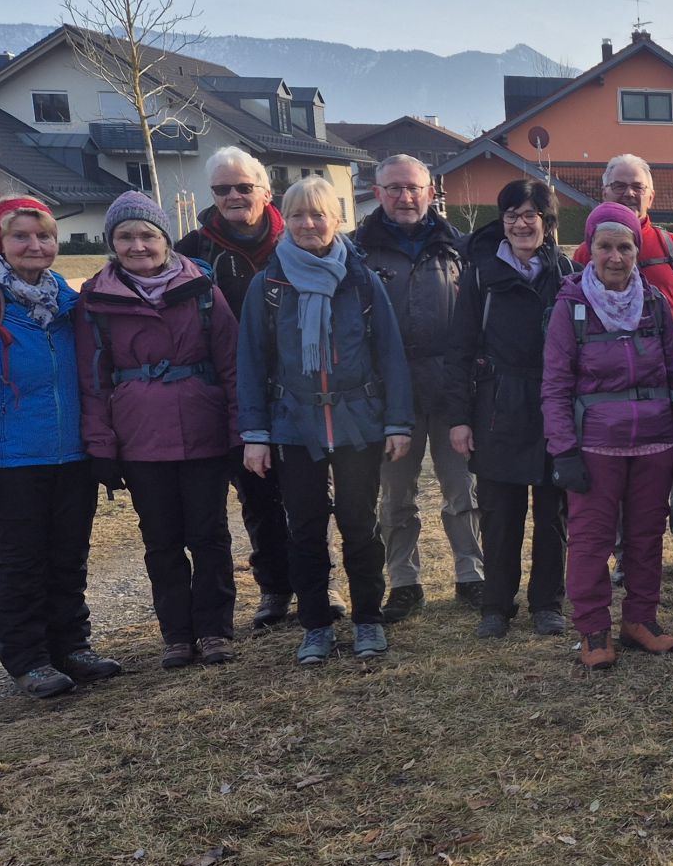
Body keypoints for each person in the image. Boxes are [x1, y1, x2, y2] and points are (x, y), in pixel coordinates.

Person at [0, 197, 120, 698]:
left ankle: (72, 646)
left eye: (44, 236)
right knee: (22, 562)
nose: (35, 246)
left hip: (71, 457)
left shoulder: (67, 303)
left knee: (70, 556)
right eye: (21, 236)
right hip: (7, 463)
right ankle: (27, 658)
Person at [238, 176, 413, 665]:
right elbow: (251, 360)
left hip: (358, 421)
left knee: (360, 526)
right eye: (298, 215)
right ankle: (315, 624)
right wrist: (255, 433)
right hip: (294, 425)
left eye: (319, 214)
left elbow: (391, 356)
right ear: (285, 222)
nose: (309, 224)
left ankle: (367, 620)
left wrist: (398, 422)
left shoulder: (361, 281)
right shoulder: (269, 285)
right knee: (305, 529)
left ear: (337, 220)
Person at [77, 191, 242, 669]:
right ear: (112, 243)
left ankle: (214, 631)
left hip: (203, 430)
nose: (137, 246)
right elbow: (93, 379)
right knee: (161, 541)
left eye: (147, 235)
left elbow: (231, 366)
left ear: (165, 239)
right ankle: (176, 634)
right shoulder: (96, 300)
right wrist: (101, 446)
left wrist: (238, 433)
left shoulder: (204, 291)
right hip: (140, 439)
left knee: (209, 536)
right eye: (125, 236)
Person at [543, 202, 673, 670]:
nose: (615, 256)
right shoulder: (570, 306)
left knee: (646, 535)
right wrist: (563, 450)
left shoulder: (653, 304)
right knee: (591, 541)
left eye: (625, 247)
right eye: (605, 247)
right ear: (589, 250)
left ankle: (640, 620)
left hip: (655, 441)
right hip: (594, 446)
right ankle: (593, 628)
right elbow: (554, 385)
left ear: (637, 250)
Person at [353, 154, 483, 620]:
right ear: (377, 191)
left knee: (461, 489)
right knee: (396, 497)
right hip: (390, 397)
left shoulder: (459, 248)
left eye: (413, 188)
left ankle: (471, 574)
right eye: (394, 188)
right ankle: (404, 582)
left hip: (452, 391)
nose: (404, 197)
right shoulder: (357, 250)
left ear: (431, 192)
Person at [448, 179, 578, 640]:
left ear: (547, 221)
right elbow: (460, 350)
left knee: (553, 512)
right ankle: (496, 606)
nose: (522, 224)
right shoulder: (481, 275)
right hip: (496, 406)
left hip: (551, 405)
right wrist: (460, 419)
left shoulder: (565, 273)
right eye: (512, 215)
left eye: (531, 215)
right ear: (502, 222)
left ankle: (548, 603)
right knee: (500, 515)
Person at [177, 146, 293, 630]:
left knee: (310, 493)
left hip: (298, 387)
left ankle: (318, 581)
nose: (233, 196)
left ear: (265, 191)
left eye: (243, 187)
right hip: (230, 391)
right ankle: (273, 588)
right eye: (222, 189)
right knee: (256, 494)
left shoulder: (299, 239)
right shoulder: (191, 251)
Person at [594, 155, 673, 578]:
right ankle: (627, 551)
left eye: (636, 186)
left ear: (651, 194)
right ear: (604, 193)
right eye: (619, 186)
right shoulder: (591, 249)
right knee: (621, 466)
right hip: (614, 385)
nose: (628, 193)